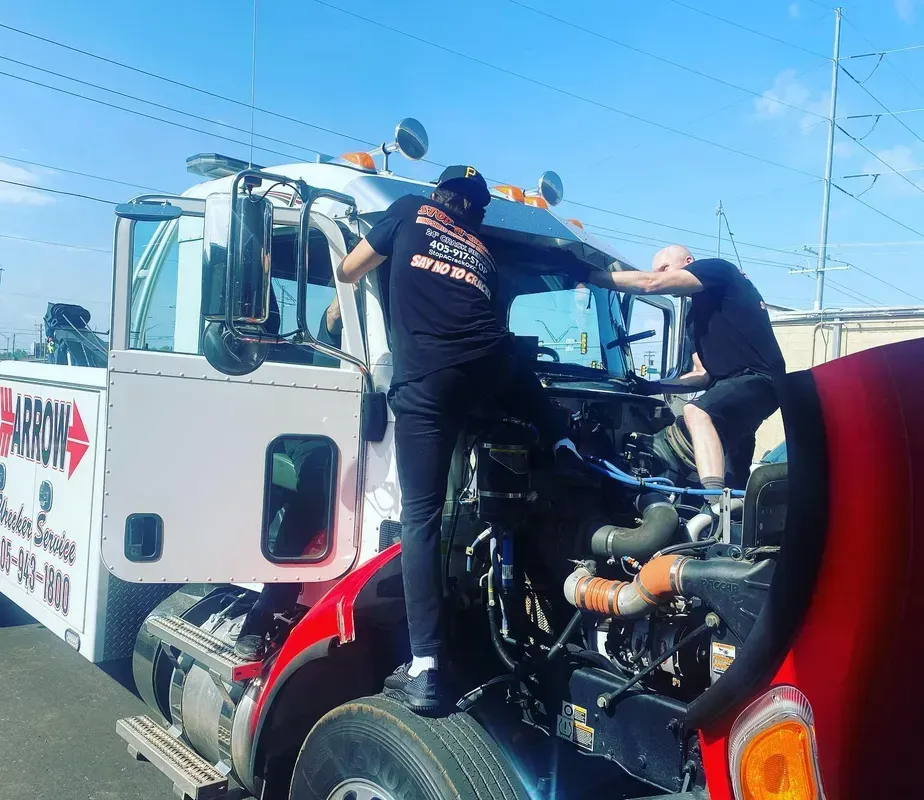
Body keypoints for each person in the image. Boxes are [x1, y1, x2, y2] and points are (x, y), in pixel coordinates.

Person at [337, 165, 582, 714]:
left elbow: (349, 269)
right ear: (477, 210)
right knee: (522, 382)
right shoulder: (484, 253)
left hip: (428, 380)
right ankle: (563, 445)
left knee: (421, 518)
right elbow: (485, 325)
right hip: (491, 365)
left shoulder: (406, 211)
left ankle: (426, 667)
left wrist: (340, 303)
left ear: (437, 194)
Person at [586, 245, 785, 491]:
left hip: (761, 379)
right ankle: (731, 502)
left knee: (696, 412)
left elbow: (650, 284)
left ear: (688, 261)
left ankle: (713, 500)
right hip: (733, 390)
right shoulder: (693, 321)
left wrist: (589, 276)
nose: (659, 274)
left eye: (664, 268)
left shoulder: (718, 270)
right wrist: (654, 386)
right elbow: (702, 375)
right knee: (731, 469)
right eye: (656, 270)